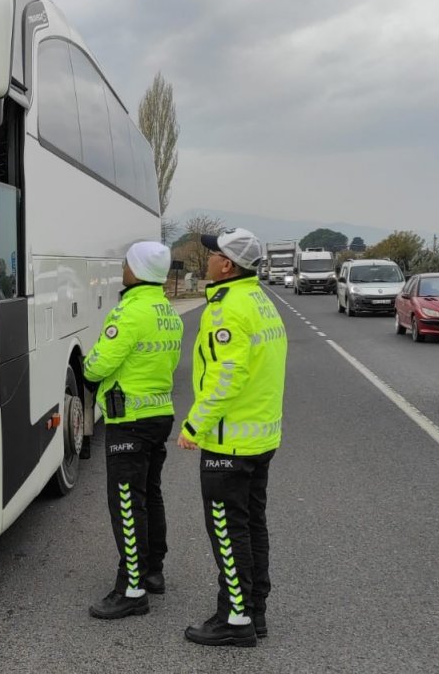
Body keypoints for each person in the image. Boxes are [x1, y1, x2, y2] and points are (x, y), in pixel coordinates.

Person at [177, 227, 287, 647]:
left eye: (212, 254)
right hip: (260, 437)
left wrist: (194, 426)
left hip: (229, 442)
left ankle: (235, 618)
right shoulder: (262, 301)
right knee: (251, 525)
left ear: (227, 265)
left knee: (227, 530)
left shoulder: (227, 309)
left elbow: (227, 375)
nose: (206, 259)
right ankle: (254, 610)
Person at [83, 241, 184, 620]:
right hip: (160, 416)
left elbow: (97, 365)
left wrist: (87, 366)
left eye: (126, 263)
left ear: (137, 270)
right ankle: (153, 571)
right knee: (149, 495)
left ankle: (132, 588)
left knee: (126, 501)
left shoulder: (129, 312)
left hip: (129, 421)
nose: (122, 268)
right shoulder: (166, 311)